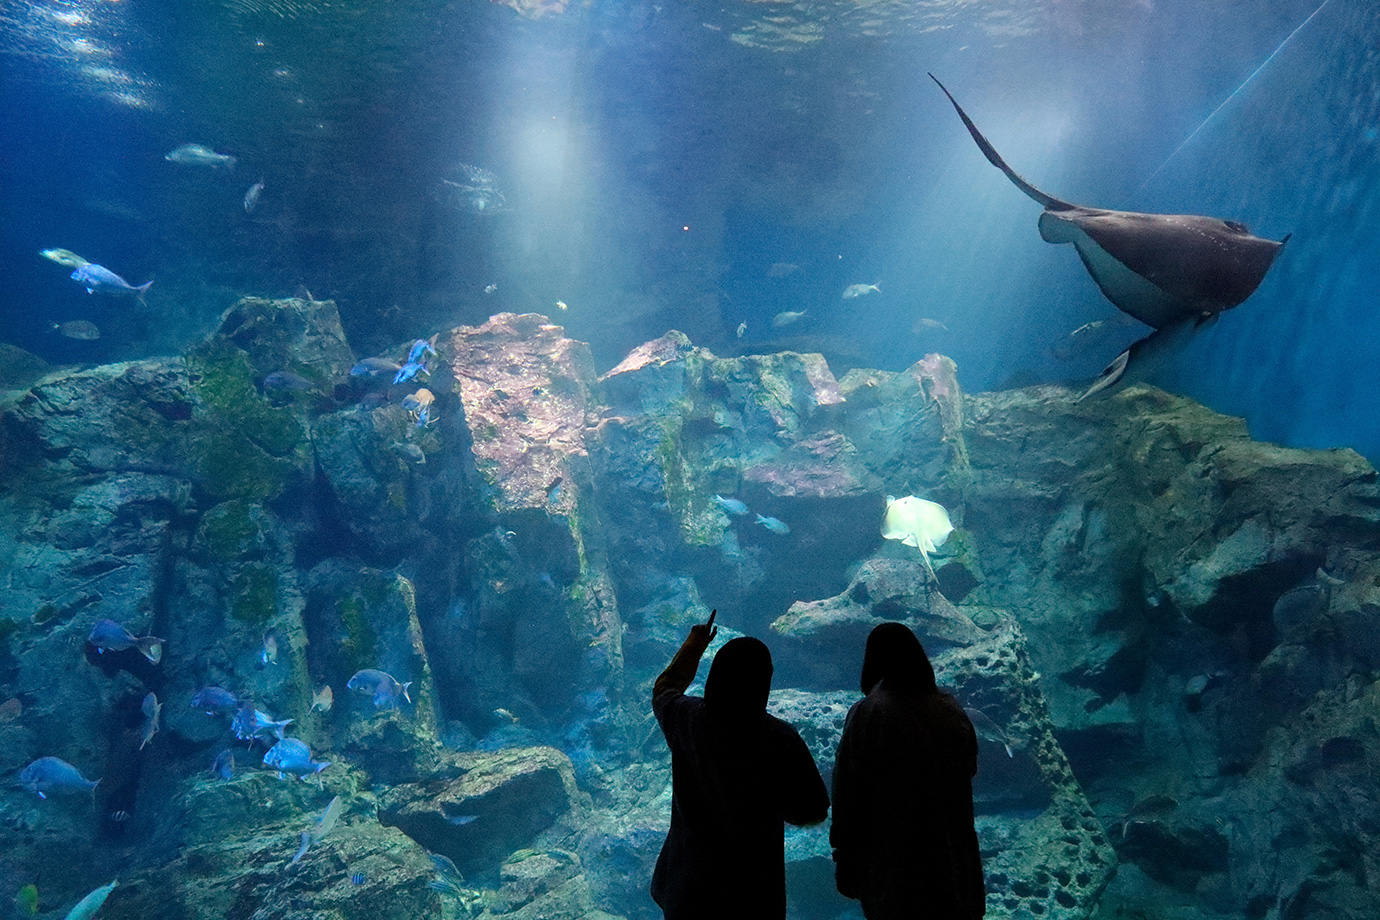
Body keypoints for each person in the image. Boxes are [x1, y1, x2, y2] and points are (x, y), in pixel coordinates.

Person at [651, 610, 830, 919]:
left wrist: (694, 645)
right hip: (751, 896)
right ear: (763, 684)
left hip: (687, 890)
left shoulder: (687, 718)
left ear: (716, 677)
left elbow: (665, 688)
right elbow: (811, 811)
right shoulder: (779, 738)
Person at [830, 622, 985, 919]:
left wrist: (845, 857)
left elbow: (847, 791)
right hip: (953, 862)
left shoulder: (867, 713)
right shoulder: (950, 709)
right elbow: (969, 769)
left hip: (894, 866)